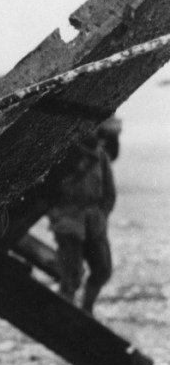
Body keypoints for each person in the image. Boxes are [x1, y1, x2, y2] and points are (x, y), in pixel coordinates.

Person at [47, 125, 116, 315]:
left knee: (102, 269)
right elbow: (49, 191)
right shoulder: (65, 153)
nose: (92, 131)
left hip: (94, 220)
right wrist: (57, 216)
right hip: (68, 219)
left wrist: (101, 215)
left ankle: (87, 310)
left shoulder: (101, 157)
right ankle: (64, 315)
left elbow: (109, 194)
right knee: (71, 274)